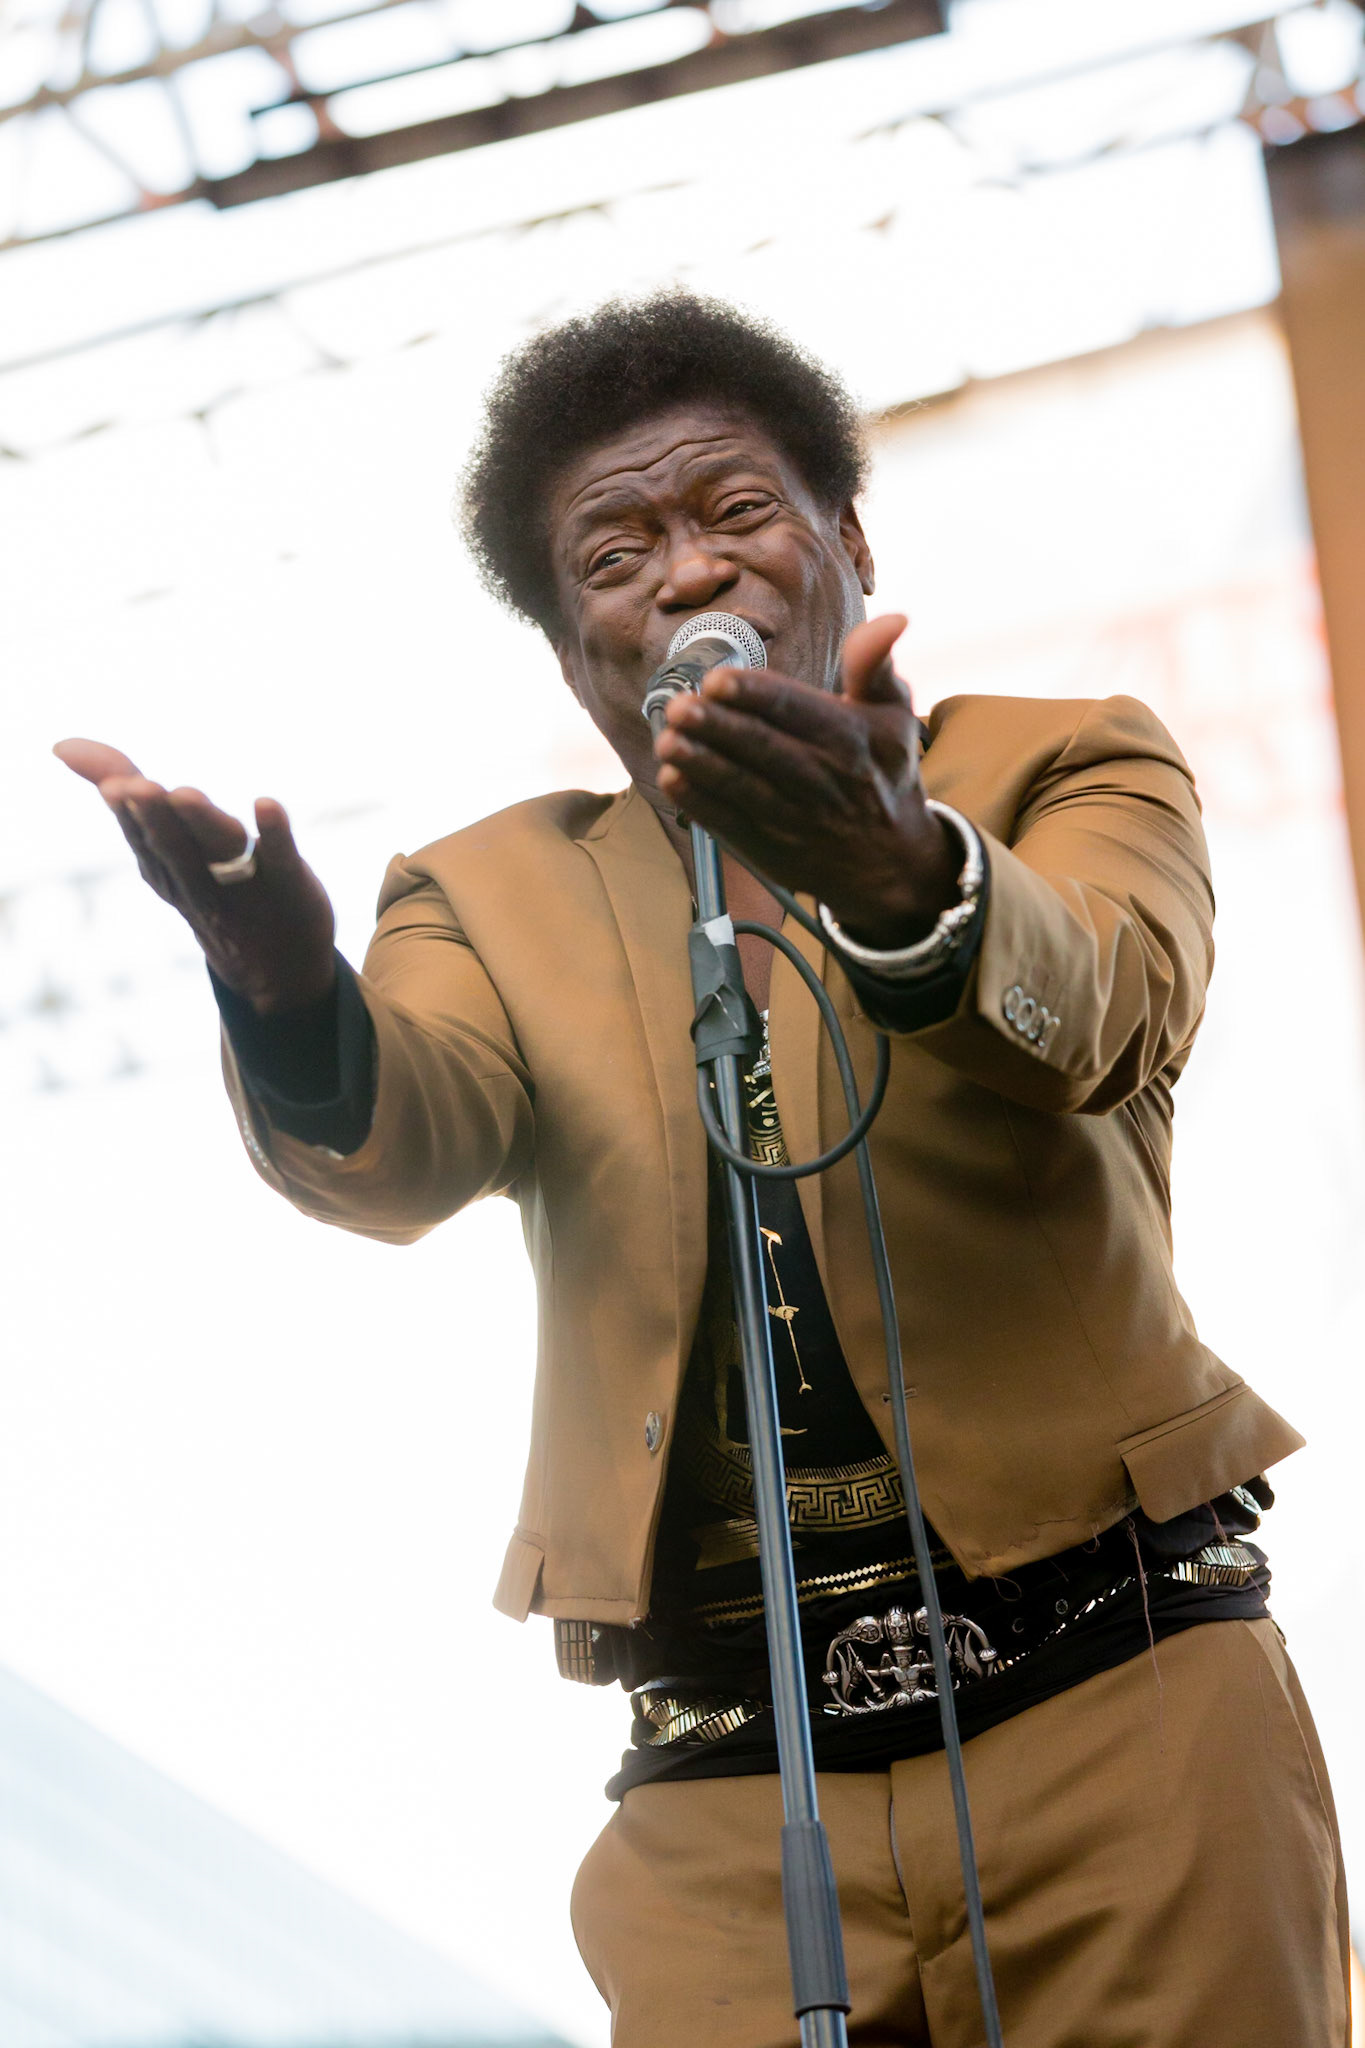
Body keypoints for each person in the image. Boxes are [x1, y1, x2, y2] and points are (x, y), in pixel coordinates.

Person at [56, 291, 1349, 2047]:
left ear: (847, 541)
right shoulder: (484, 893)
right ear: (569, 648)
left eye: (737, 511)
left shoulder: (1061, 758)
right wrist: (283, 992)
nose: (686, 572)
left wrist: (903, 872)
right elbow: (397, 1151)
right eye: (615, 554)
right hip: (723, 1784)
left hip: (1118, 1693)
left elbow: (1106, 1005)